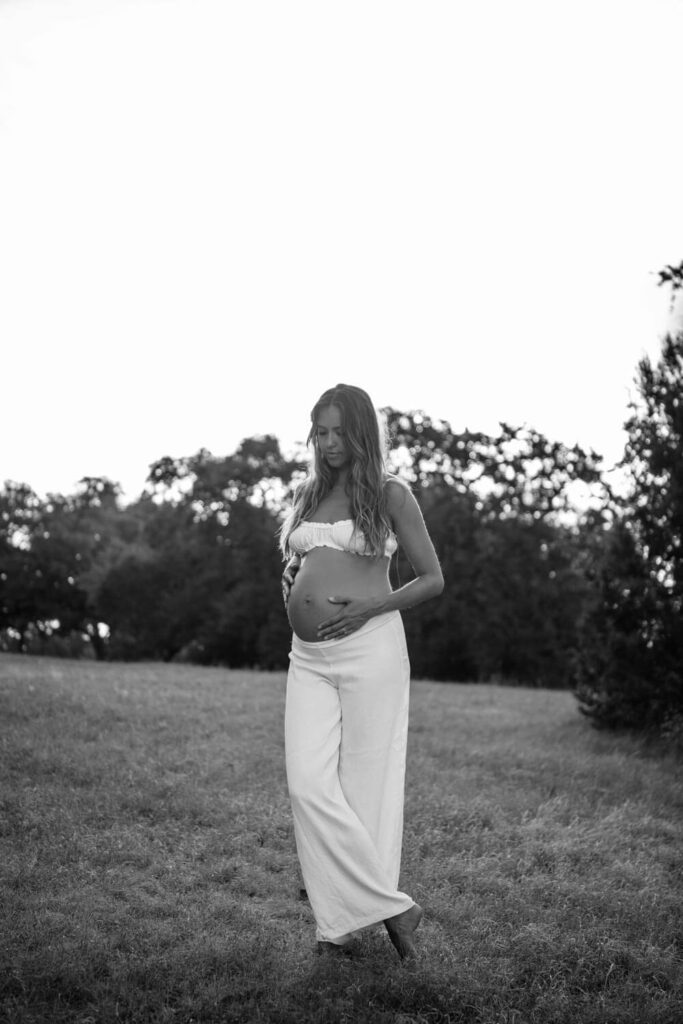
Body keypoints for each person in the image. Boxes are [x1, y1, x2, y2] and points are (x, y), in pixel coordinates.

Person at [279, 383, 444, 960]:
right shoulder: (309, 493)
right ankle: (394, 909)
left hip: (370, 649)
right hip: (309, 660)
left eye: (338, 432)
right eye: (319, 432)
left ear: (362, 433)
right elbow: (301, 561)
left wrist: (373, 605)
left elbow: (432, 578)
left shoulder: (390, 493)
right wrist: (293, 588)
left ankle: (338, 929)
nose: (327, 444)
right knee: (307, 783)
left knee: (364, 789)